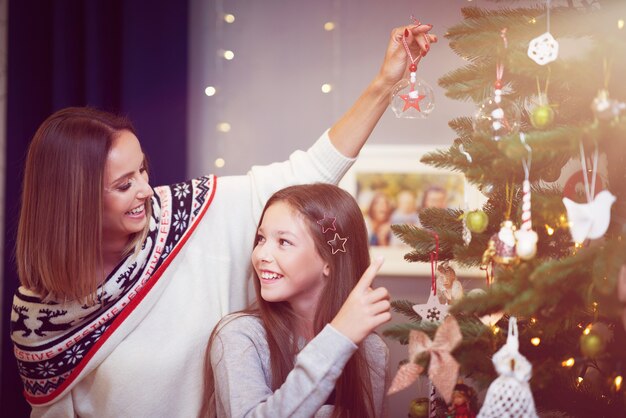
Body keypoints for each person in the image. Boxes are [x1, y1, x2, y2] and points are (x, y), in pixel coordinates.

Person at [10, 23, 436, 417]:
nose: (145, 190)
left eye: (143, 169)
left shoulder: (187, 217)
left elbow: (309, 175)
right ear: (75, 201)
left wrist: (386, 84)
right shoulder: (40, 318)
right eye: (123, 184)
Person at [202, 184, 390, 417]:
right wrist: (337, 340)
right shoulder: (240, 336)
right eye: (261, 238)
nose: (261, 255)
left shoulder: (371, 351)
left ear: (329, 262)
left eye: (284, 242)